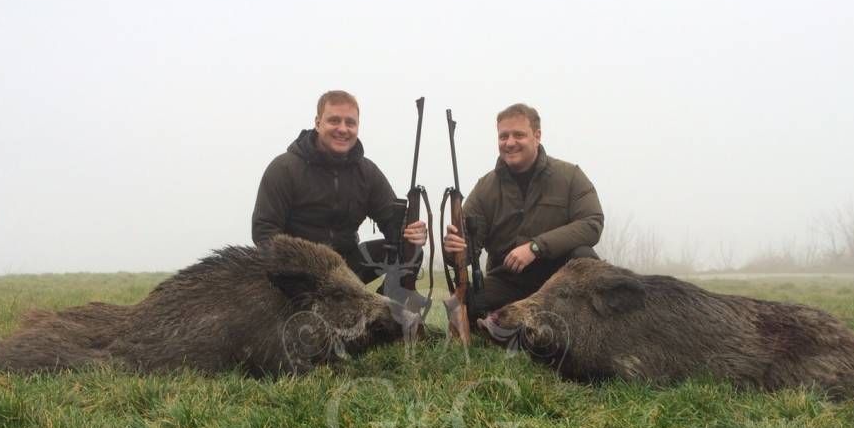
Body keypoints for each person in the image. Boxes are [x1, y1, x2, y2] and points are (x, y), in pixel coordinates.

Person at [443, 102, 603, 319]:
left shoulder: (570, 176)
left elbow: (591, 224)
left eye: (519, 135)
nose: (509, 143)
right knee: (469, 304)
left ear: (537, 136)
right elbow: (467, 250)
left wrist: (536, 247)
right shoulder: (485, 188)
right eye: (503, 136)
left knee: (584, 258)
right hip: (508, 281)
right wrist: (453, 249)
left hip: (560, 278)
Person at [252, 90, 427, 287]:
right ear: (318, 123)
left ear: (357, 127)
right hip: (297, 269)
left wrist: (413, 233)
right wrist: (293, 272)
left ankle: (384, 316)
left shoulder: (367, 172)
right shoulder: (284, 168)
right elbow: (264, 232)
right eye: (334, 121)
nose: (343, 129)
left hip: (347, 266)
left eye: (350, 123)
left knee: (410, 251)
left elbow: (394, 224)